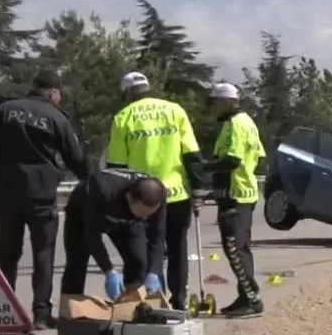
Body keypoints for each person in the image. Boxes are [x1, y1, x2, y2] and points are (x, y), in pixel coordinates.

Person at [0, 69, 89, 330]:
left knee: (7, 253)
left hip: (7, 194)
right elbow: (75, 157)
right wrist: (91, 180)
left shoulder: (5, 110)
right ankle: (41, 315)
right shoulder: (56, 116)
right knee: (43, 253)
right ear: (53, 92)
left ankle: (4, 313)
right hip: (41, 194)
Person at [105, 72, 207, 310]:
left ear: (128, 92)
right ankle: (179, 300)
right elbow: (192, 154)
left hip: (142, 199)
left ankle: (150, 301)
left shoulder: (124, 116)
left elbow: (117, 167)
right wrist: (199, 190)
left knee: (147, 250)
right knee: (177, 249)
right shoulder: (175, 110)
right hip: (176, 193)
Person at [201, 83, 266, 318]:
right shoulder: (243, 122)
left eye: (213, 103)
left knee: (235, 249)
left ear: (226, 102)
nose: (211, 109)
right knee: (239, 249)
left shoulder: (237, 125)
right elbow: (256, 156)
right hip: (240, 193)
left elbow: (232, 161)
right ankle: (244, 296)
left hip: (236, 194)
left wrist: (203, 167)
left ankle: (253, 299)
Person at [60, 169, 166, 300]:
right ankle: (70, 309)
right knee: (77, 263)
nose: (146, 217)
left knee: (139, 261)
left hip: (129, 220)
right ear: (129, 198)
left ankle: (133, 303)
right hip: (83, 214)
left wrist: (153, 273)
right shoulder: (101, 190)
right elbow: (91, 236)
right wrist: (109, 270)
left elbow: (158, 235)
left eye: (149, 214)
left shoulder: (159, 194)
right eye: (143, 212)